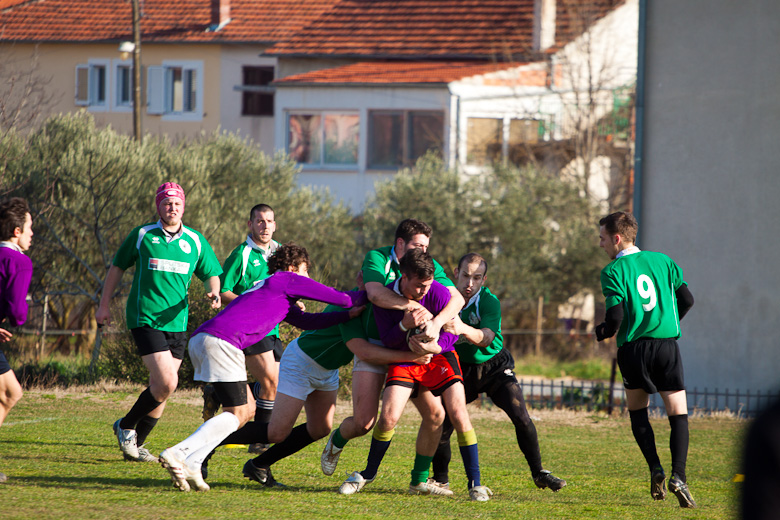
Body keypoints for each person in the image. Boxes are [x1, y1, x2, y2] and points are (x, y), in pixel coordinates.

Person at [158, 243, 368, 492]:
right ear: (292, 268)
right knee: (238, 414)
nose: (308, 278)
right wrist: (376, 291)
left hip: (209, 339)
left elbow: (309, 321)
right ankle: (179, 452)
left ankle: (193, 462)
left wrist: (346, 316)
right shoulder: (286, 279)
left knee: (245, 411)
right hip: (222, 341)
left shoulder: (275, 290)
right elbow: (340, 298)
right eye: (305, 271)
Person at [237, 271, 434, 490]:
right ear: (362, 280)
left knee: (321, 428)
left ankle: (259, 464)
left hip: (327, 370)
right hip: (302, 362)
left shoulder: (382, 309)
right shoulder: (352, 306)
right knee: (277, 431)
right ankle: (211, 441)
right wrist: (411, 357)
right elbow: (364, 351)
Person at [338, 248, 492, 501]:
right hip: (406, 358)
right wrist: (403, 326)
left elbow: (453, 329)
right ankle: (366, 474)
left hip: (441, 355)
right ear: (404, 277)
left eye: (428, 286)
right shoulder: (387, 297)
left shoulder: (438, 292)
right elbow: (387, 339)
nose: (424, 292)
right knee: (388, 417)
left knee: (458, 412)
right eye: (419, 286)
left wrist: (437, 345)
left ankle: (475, 484)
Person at [322, 218, 462, 488]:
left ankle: (419, 481)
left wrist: (434, 323)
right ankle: (336, 441)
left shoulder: (423, 264)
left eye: (425, 246)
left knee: (436, 415)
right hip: (378, 343)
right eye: (417, 245)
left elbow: (455, 299)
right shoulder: (377, 257)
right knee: (364, 423)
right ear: (400, 244)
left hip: (410, 349)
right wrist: (413, 310)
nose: (422, 251)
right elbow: (375, 294)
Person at [95, 182, 223, 463]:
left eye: (177, 203)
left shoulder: (195, 240)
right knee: (167, 382)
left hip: (177, 323)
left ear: (184, 207)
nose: (172, 208)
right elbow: (117, 266)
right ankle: (127, 426)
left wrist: (213, 291)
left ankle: (135, 444)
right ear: (158, 207)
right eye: (167, 203)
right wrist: (103, 305)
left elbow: (211, 272)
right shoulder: (143, 235)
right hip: (145, 318)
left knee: (162, 386)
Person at [431, 253, 566, 492]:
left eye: (477, 278)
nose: (469, 283)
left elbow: (487, 338)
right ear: (455, 274)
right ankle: (441, 479)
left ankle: (539, 473)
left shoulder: (489, 301)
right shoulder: (443, 297)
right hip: (462, 368)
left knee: (520, 415)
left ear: (484, 279)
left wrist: (461, 328)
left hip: (494, 365)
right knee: (444, 422)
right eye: (465, 276)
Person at [595, 211, 696, 508]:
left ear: (616, 238)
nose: (600, 244)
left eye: (602, 238)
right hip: (666, 347)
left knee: (638, 413)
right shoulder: (664, 261)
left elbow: (615, 318)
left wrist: (602, 331)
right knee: (678, 414)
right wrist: (667, 317)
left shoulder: (612, 272)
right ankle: (679, 475)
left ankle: (655, 467)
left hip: (634, 351)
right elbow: (687, 300)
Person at [204, 203, 286, 454]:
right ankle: (259, 441)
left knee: (278, 384)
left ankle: (215, 393)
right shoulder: (241, 254)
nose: (265, 226)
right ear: (249, 225)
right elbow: (225, 289)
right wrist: (248, 303)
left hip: (273, 330)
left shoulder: (281, 253)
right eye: (259, 221)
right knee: (271, 382)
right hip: (250, 328)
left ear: (275, 225)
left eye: (269, 221)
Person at [0, 198, 34, 483]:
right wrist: (19, 314)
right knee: (11, 393)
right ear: (16, 231)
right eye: (29, 228)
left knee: (9, 392)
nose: (32, 234)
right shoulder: (18, 261)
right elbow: (16, 312)